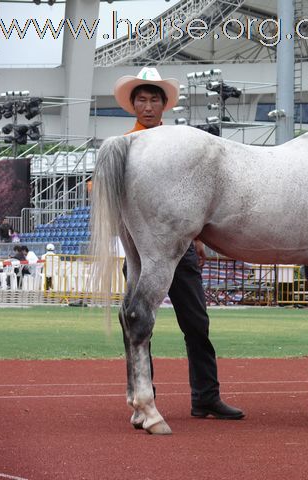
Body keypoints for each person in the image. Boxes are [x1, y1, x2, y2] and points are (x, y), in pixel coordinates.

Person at [113, 67, 244, 419]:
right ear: (134, 105)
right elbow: (102, 191)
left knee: (197, 323)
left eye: (154, 99)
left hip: (182, 246)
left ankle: (206, 396)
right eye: (142, 99)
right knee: (141, 319)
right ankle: (143, 393)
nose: (148, 106)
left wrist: (196, 237)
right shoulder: (126, 146)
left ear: (164, 105)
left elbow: (195, 200)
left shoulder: (179, 146)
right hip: (144, 246)